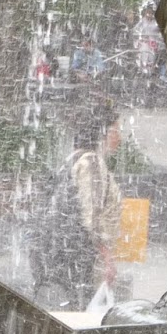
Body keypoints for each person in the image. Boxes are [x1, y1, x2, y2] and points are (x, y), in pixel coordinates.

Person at [32, 117, 124, 309]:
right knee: (84, 315)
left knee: (64, 310)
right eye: (116, 131)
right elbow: (93, 216)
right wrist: (107, 259)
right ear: (102, 135)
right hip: (80, 257)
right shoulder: (91, 163)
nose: (120, 138)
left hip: (59, 253)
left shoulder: (73, 159)